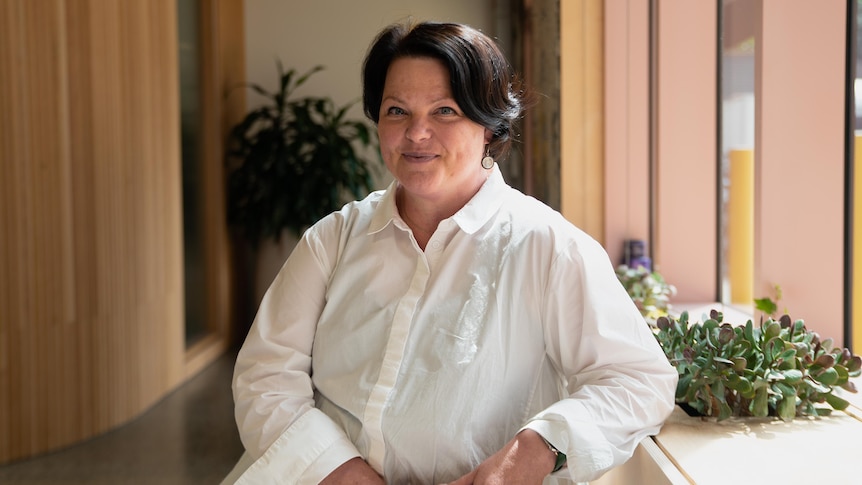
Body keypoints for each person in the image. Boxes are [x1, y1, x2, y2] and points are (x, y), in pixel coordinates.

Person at [222, 21, 677, 485]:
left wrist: (535, 449)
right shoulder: (332, 239)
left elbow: (638, 381)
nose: (417, 134)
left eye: (444, 110)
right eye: (397, 110)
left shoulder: (549, 246)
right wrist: (336, 471)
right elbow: (265, 374)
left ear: (489, 125)